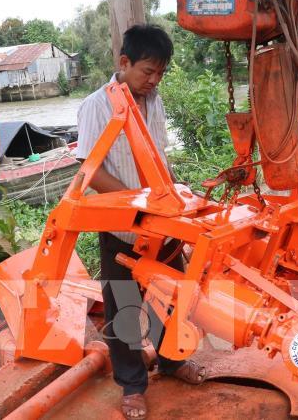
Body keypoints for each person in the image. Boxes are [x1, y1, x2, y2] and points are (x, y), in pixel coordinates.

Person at [76, 24, 206, 420]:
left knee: (174, 297)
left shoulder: (155, 99)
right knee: (123, 307)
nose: (154, 80)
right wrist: (140, 206)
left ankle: (171, 361)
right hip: (121, 226)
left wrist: (170, 198)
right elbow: (91, 172)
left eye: (160, 73)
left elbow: (158, 156)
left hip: (163, 221)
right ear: (124, 62)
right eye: (147, 72)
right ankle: (132, 386)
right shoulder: (97, 105)